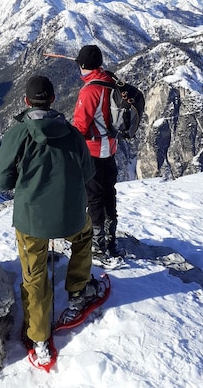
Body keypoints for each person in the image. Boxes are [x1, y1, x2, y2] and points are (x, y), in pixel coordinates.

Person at [0, 75, 99, 367]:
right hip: (71, 214)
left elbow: (3, 180)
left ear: (26, 102)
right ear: (53, 100)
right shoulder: (71, 132)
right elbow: (88, 171)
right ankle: (78, 288)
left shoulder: (18, 134)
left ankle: (38, 336)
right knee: (83, 236)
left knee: (34, 274)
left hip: (31, 219)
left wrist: (25, 180)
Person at [73, 44, 124, 268]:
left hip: (93, 151)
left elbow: (81, 126)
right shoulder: (111, 81)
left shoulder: (89, 91)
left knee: (94, 196)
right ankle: (111, 238)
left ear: (83, 66)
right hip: (111, 149)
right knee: (108, 193)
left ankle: (96, 244)